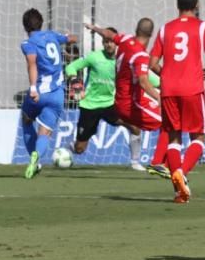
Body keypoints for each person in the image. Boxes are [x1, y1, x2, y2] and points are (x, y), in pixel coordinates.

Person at [150, 0, 205, 203]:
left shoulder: (164, 29)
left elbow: (152, 63)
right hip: (193, 89)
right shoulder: (203, 27)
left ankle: (180, 190)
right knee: (198, 137)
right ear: (196, 4)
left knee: (173, 137)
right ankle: (181, 174)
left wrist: (167, 74)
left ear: (177, 4)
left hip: (169, 90)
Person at [85, 18, 169, 176]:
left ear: (136, 30)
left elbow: (108, 34)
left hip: (124, 100)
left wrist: (94, 28)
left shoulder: (125, 39)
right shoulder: (140, 55)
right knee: (169, 121)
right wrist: (159, 97)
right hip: (131, 103)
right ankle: (159, 163)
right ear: (151, 35)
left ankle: (156, 162)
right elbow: (144, 81)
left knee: (161, 122)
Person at [63, 27, 147, 169]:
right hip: (89, 106)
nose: (109, 45)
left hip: (110, 105)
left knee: (134, 126)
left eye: (111, 42)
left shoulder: (124, 60)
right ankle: (69, 148)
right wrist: (75, 82)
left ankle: (135, 162)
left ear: (116, 43)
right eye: (106, 42)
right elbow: (71, 67)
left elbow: (146, 76)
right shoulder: (94, 57)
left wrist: (162, 82)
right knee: (80, 149)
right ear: (102, 43)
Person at [20, 8, 77, 179]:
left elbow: (32, 64)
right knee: (45, 133)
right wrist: (68, 39)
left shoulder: (28, 43)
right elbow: (72, 39)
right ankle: (37, 156)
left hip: (39, 93)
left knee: (26, 119)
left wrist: (32, 88)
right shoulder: (52, 35)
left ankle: (34, 161)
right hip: (57, 94)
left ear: (25, 26)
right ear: (41, 23)